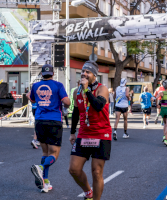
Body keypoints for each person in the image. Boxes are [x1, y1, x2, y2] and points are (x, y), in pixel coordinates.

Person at [69, 61, 112, 200]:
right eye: (83, 71)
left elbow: (98, 105)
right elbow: (76, 112)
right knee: (74, 169)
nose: (84, 74)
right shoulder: (77, 92)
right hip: (84, 134)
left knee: (96, 171)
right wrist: (72, 132)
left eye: (88, 72)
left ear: (94, 75)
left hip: (102, 134)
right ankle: (88, 192)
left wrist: (87, 90)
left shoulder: (102, 89)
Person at [27, 64, 71, 193]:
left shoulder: (35, 86)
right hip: (54, 121)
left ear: (42, 74)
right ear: (53, 74)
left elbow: (33, 100)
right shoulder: (58, 85)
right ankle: (40, 167)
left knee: (45, 153)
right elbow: (67, 102)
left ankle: (45, 182)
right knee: (54, 154)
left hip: (40, 120)